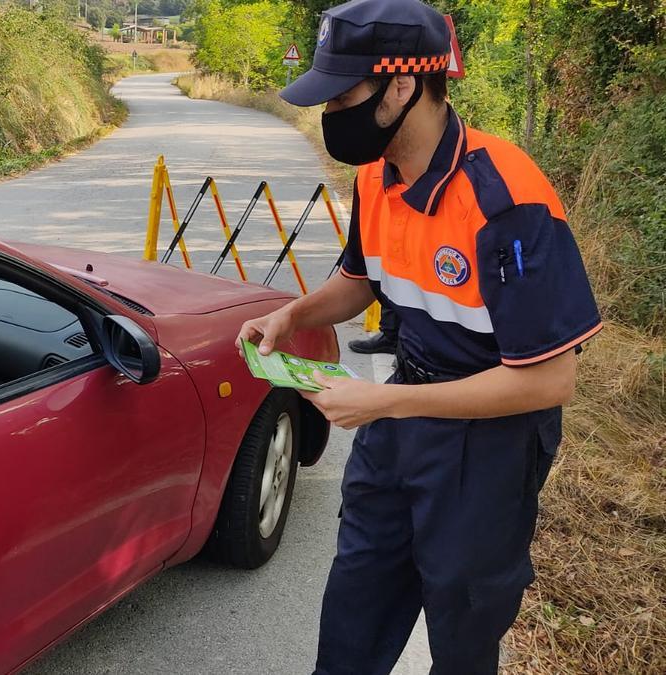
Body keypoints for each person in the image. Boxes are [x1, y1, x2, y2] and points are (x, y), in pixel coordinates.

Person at [236, 1, 602, 672]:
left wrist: (384, 404)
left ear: (401, 86)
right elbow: (362, 279)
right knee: (355, 607)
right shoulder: (375, 174)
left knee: (463, 633)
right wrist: (294, 315)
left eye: (342, 94)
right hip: (401, 421)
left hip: (490, 447)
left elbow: (552, 379)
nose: (330, 112)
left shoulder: (507, 199)